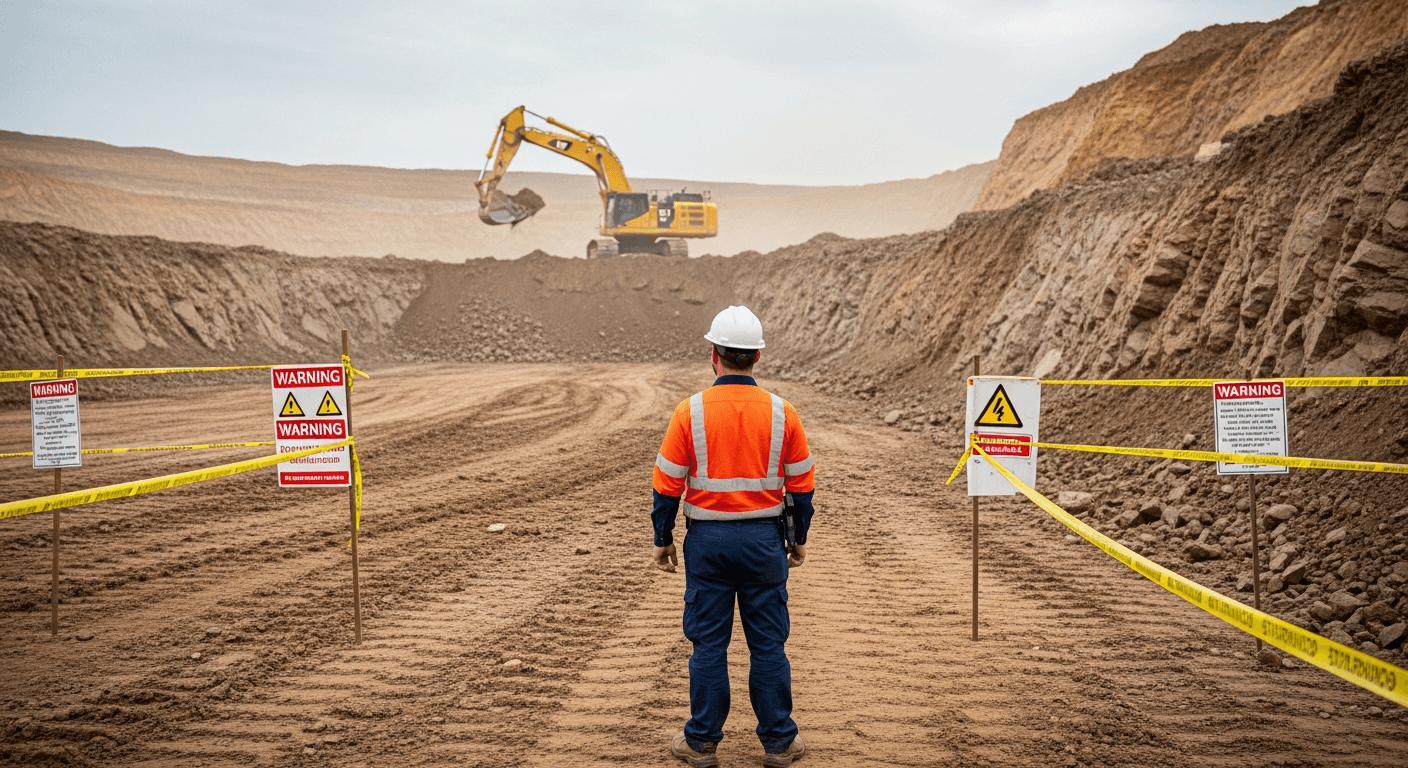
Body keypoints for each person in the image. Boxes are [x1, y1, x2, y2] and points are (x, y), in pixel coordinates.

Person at [651, 305, 816, 768]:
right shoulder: (785, 414)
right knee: (768, 645)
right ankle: (780, 744)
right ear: (757, 357)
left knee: (709, 646)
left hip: (707, 544)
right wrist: (798, 537)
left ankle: (701, 743)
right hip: (765, 542)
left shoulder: (690, 412)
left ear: (714, 355)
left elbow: (666, 485)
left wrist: (662, 537)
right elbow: (802, 488)